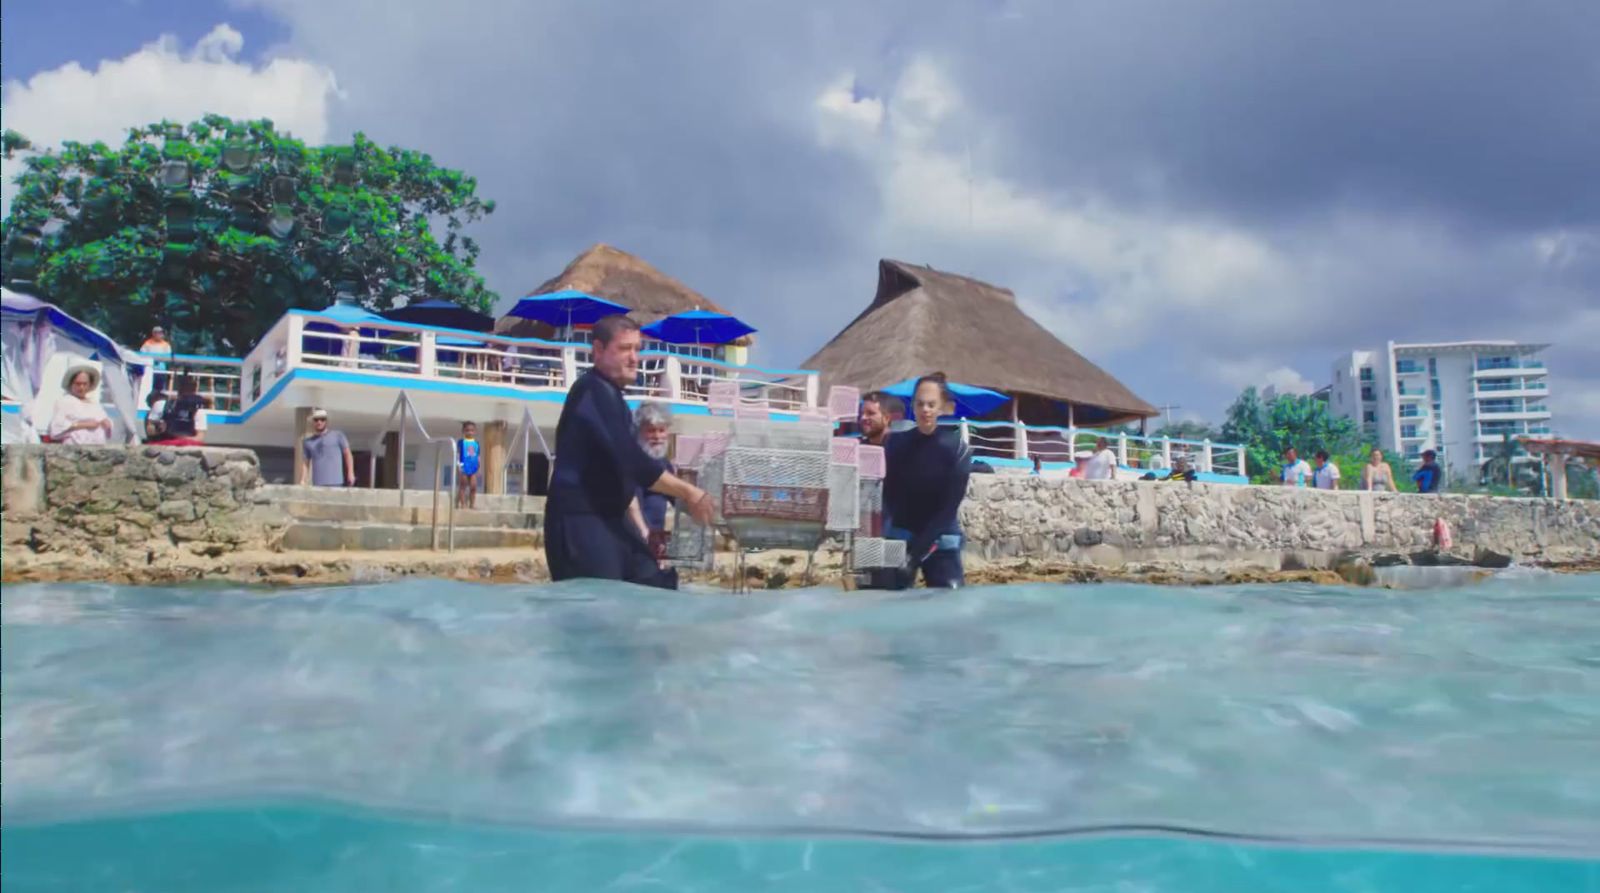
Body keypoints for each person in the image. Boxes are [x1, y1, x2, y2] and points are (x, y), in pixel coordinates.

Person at [544, 315, 712, 587]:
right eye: (624, 349)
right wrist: (690, 493)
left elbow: (631, 470)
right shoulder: (591, 390)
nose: (634, 358)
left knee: (659, 585)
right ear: (598, 350)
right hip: (580, 523)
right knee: (603, 608)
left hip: (613, 521)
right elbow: (632, 461)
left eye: (638, 349)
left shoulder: (612, 397)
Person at [884, 372, 973, 590]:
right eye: (920, 404)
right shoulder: (896, 444)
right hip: (902, 533)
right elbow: (889, 496)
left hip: (941, 536)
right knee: (888, 605)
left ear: (942, 407)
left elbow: (949, 507)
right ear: (913, 406)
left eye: (931, 404)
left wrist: (915, 555)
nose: (925, 410)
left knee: (950, 605)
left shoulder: (956, 449)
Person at [629, 401, 680, 588]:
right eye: (651, 431)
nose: (657, 436)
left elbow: (679, 501)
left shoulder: (664, 465)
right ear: (639, 432)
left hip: (654, 547)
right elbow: (630, 504)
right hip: (632, 545)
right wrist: (646, 536)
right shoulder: (632, 461)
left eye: (661, 430)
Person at [47, 364, 114, 445]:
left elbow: (105, 423)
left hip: (96, 448)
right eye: (78, 384)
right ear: (71, 384)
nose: (81, 387)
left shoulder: (95, 404)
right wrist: (83, 425)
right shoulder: (65, 402)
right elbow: (56, 428)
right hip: (75, 447)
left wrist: (106, 422)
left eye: (85, 384)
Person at [148, 374, 208, 444]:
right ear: (179, 388)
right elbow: (150, 429)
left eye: (190, 388)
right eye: (184, 387)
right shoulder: (161, 405)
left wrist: (182, 438)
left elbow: (200, 437)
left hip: (187, 444)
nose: (187, 390)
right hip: (164, 442)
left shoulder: (199, 411)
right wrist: (159, 429)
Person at [302, 408, 355, 487]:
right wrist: (303, 480)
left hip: (336, 482)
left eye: (322, 419)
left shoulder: (338, 435)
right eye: (316, 420)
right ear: (313, 421)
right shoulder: (308, 442)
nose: (319, 422)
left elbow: (347, 454)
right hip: (318, 483)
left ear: (326, 421)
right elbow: (306, 462)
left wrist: (350, 473)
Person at [140, 325, 173, 395]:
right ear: (153, 333)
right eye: (157, 333)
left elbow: (168, 357)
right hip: (150, 370)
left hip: (161, 370)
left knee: (159, 389)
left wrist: (160, 359)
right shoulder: (147, 343)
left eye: (160, 333)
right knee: (148, 388)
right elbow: (142, 354)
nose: (159, 334)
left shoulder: (166, 345)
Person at [457, 421, 482, 509]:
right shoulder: (461, 442)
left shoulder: (476, 443)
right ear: (463, 431)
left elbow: (477, 455)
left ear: (475, 431)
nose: (469, 432)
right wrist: (459, 466)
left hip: (473, 467)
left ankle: (472, 504)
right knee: (463, 485)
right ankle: (463, 504)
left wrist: (479, 466)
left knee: (473, 486)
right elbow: (459, 454)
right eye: (467, 430)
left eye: (472, 430)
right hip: (464, 467)